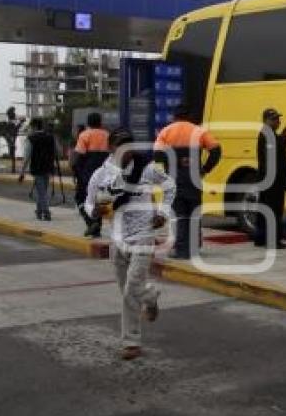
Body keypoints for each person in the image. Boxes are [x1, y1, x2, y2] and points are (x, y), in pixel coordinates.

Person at [85, 127, 176, 361]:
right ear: (111, 148)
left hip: (143, 235)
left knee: (129, 291)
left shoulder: (145, 168)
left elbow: (170, 186)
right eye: (120, 144)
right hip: (116, 237)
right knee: (128, 291)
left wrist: (163, 213)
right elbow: (88, 203)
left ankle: (131, 342)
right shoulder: (100, 175)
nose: (126, 149)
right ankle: (151, 295)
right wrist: (93, 211)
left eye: (129, 144)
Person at [153, 106, 222, 260]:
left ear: (174, 117)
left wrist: (175, 162)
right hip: (195, 179)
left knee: (180, 214)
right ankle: (195, 246)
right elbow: (217, 150)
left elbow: (157, 155)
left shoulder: (166, 131)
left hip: (174, 179)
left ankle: (183, 250)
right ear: (188, 116)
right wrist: (205, 169)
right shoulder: (199, 131)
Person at [255, 107, 286, 248]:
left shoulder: (269, 134)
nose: (278, 121)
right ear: (266, 120)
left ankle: (261, 239)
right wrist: (283, 139)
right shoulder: (267, 135)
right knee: (274, 210)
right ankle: (273, 241)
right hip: (272, 181)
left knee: (265, 210)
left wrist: (282, 139)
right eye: (274, 119)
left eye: (278, 119)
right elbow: (273, 154)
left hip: (270, 180)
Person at [73, 113, 110, 238]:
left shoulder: (85, 135)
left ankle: (91, 223)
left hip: (88, 174)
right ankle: (97, 229)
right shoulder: (107, 135)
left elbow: (79, 156)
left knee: (81, 199)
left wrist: (76, 172)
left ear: (88, 123)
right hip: (104, 174)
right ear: (100, 122)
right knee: (97, 201)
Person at [18, 118, 57, 221]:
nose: (30, 129)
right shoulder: (50, 137)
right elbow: (55, 153)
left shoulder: (31, 138)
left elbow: (26, 157)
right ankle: (39, 211)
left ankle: (46, 212)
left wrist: (22, 172)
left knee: (41, 192)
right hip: (48, 168)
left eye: (31, 127)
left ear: (34, 126)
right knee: (42, 190)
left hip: (37, 168)